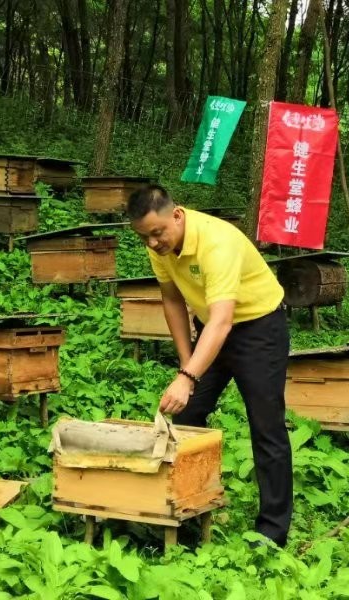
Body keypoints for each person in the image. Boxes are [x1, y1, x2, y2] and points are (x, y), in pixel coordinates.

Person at [127, 185, 293, 546]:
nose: (153, 243)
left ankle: (272, 531)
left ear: (177, 215)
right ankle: (192, 506)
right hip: (212, 328)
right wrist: (186, 363)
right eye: (144, 237)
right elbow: (172, 301)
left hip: (259, 328)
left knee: (266, 425)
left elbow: (222, 320)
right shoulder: (159, 247)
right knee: (187, 415)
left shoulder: (217, 243)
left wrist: (188, 377)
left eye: (157, 233)